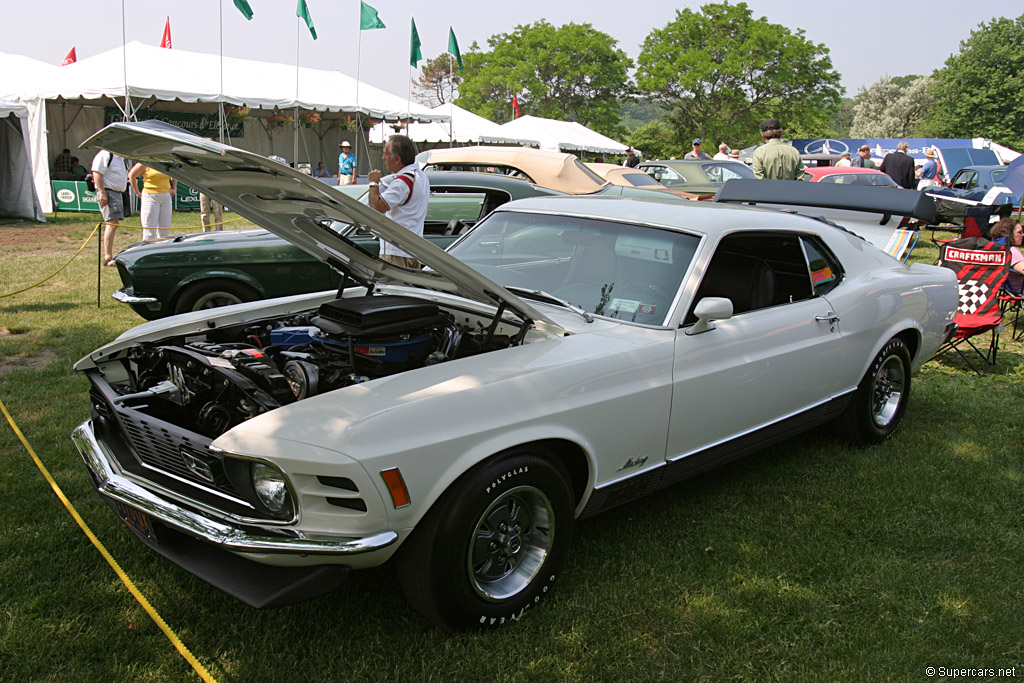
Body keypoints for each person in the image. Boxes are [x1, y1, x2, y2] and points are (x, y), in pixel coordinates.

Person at [367, 134, 430, 269]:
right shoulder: (421, 176)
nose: (383, 158)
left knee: (393, 289)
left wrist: (373, 183)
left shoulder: (402, 182)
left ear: (397, 159)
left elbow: (376, 206)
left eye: (385, 154)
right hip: (414, 249)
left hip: (397, 251)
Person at [91, 150, 129, 266]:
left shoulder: (122, 157)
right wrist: (101, 192)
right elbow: (96, 173)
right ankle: (108, 257)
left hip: (116, 193)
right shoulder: (106, 154)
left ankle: (108, 255)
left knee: (114, 223)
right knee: (112, 223)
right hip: (108, 192)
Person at [128, 162, 177, 241]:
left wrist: (174, 188)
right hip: (150, 196)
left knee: (164, 231)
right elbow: (131, 175)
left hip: (166, 196)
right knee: (149, 230)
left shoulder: (166, 161)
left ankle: (162, 250)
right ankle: (147, 250)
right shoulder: (146, 162)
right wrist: (137, 192)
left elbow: (175, 174)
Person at [989, 217, 1024, 294]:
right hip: (1019, 290)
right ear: (1009, 234)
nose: (1023, 235)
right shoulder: (1013, 252)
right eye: (1020, 232)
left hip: (1006, 288)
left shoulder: (998, 250)